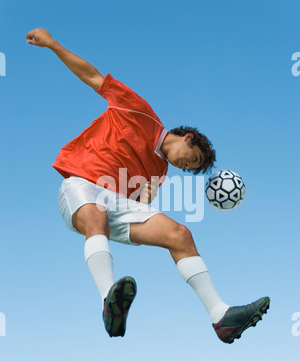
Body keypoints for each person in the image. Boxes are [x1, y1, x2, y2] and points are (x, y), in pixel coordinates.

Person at [26, 28, 270, 344]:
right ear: (188, 138)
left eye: (191, 169)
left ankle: (221, 317)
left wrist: (147, 198)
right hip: (81, 187)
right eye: (192, 159)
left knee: (180, 234)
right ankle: (108, 303)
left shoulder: (160, 171)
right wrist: (53, 44)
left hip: (115, 204)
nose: (186, 167)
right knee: (97, 215)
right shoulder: (139, 111)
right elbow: (93, 77)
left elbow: (139, 207)